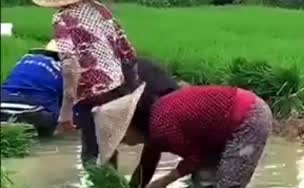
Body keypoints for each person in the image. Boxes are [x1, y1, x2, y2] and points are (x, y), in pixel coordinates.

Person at [92, 84, 273, 188]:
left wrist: (163, 183)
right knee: (202, 182)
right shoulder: (153, 127)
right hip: (215, 133)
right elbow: (147, 164)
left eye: (121, 137)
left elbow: (195, 158)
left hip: (248, 118)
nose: (123, 143)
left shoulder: (161, 126)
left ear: (130, 125)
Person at [33, 0, 140, 168]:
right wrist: (132, 90)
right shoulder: (101, 10)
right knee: (109, 148)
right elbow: (128, 53)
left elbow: (69, 65)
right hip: (116, 87)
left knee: (90, 152)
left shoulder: (62, 18)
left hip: (90, 94)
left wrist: (66, 111)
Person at [1, 40, 179, 140]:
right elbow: (73, 100)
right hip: (35, 112)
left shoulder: (24, 61)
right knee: (64, 126)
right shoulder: (70, 71)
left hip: (3, 103)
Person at [1, 41, 62, 137]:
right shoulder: (65, 68)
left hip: (3, 105)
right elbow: (70, 98)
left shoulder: (23, 60)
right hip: (35, 112)